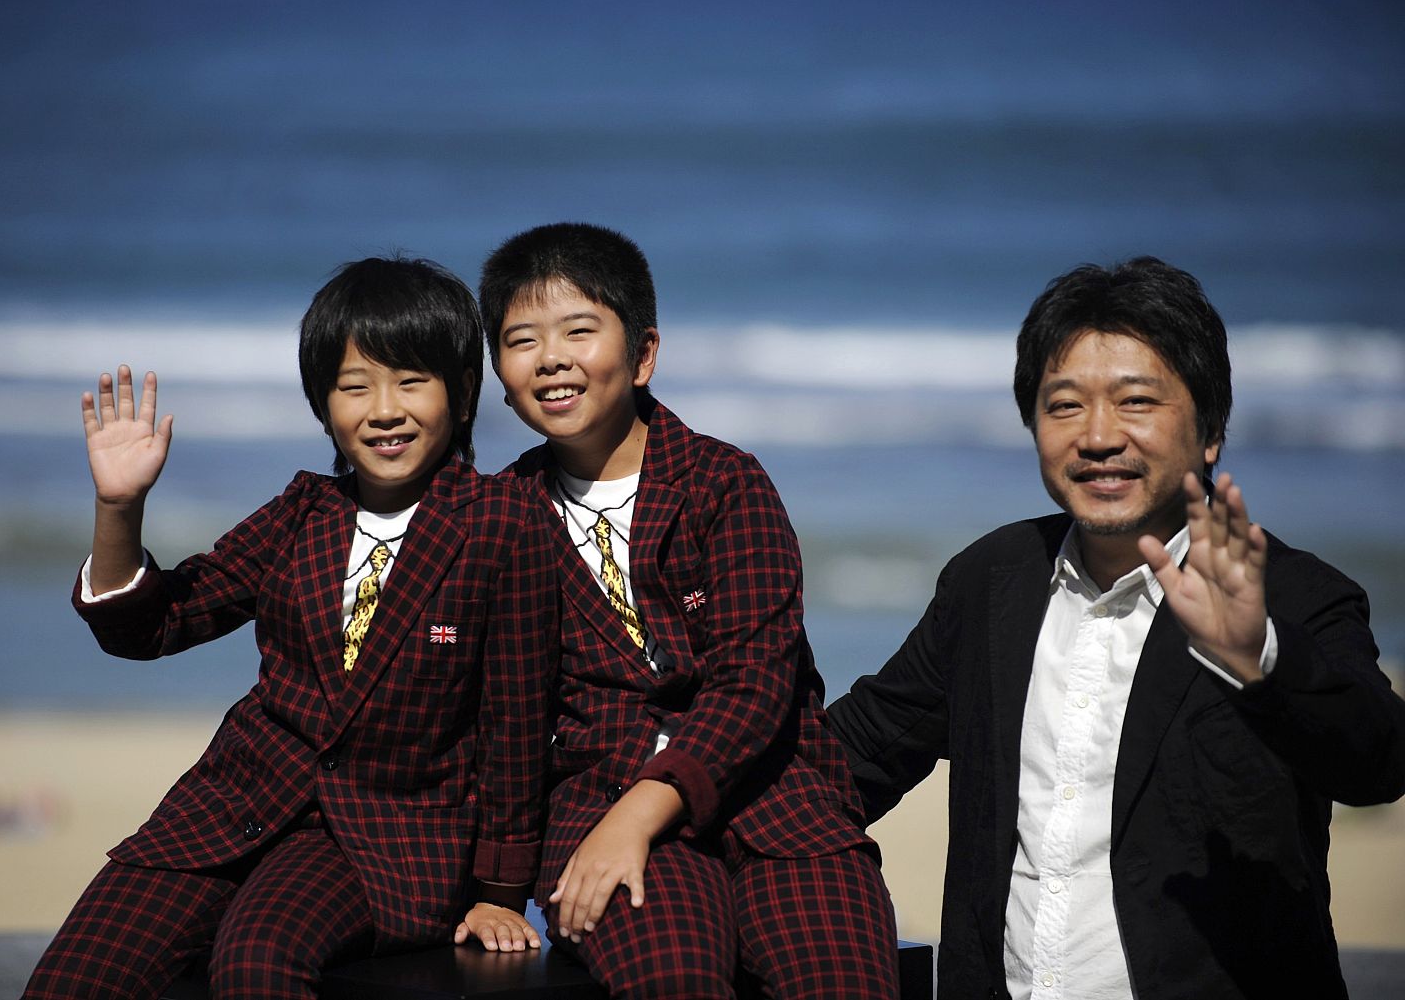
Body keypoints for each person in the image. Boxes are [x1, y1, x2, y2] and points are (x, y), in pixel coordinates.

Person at [827, 257, 1405, 1000]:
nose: (1099, 437)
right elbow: (855, 752)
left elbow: (1378, 760)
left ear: (1211, 429)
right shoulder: (991, 580)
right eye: (1064, 405)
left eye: (1136, 401)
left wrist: (1258, 655)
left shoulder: (1296, 593)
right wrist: (665, 797)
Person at [23, 258, 555, 1000]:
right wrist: (120, 506)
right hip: (229, 808)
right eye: (354, 385)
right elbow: (155, 623)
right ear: (322, 403)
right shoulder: (302, 512)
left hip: (384, 842)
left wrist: (501, 886)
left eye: (411, 381)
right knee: (73, 977)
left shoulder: (505, 522)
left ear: (462, 393)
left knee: (255, 962)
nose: (384, 409)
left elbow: (517, 723)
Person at [478, 222, 899, 999]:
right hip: (597, 808)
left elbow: (754, 683)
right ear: (500, 378)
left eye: (579, 329)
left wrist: (643, 813)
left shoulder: (724, 483)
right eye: (520, 339)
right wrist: (498, 886)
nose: (551, 358)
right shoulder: (500, 514)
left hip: (780, 804)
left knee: (845, 980)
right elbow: (491, 710)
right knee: (674, 980)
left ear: (642, 355)